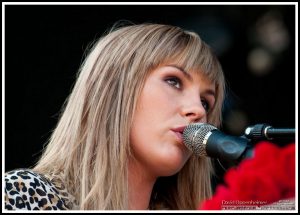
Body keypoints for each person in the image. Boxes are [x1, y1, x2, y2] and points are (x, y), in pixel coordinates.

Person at [4, 22, 225, 210]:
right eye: (174, 81)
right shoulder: (24, 195)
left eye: (206, 102)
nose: (198, 110)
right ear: (115, 88)